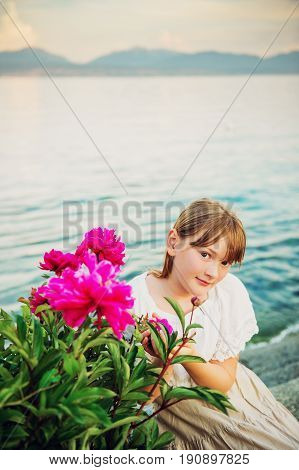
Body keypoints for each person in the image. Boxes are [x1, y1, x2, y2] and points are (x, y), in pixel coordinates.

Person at [129, 198, 299, 450]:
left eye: (225, 262)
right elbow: (141, 400)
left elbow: (222, 383)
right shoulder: (135, 298)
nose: (213, 273)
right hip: (169, 412)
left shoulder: (227, 292)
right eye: (205, 254)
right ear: (173, 242)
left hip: (225, 396)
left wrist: (185, 354)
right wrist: (161, 361)